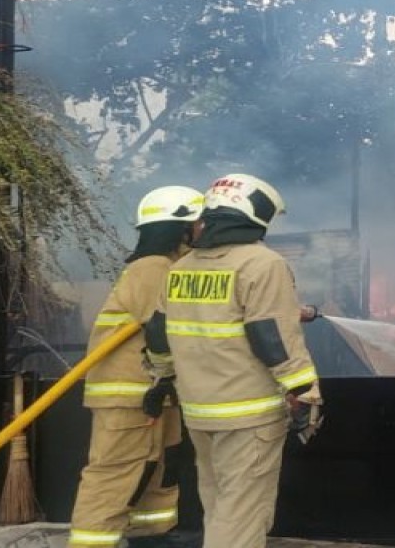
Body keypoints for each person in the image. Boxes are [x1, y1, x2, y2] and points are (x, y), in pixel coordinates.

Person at [143, 173, 322, 548]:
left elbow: (159, 334)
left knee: (221, 507)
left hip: (200, 411)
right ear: (256, 216)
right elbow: (272, 339)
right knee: (241, 517)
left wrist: (161, 378)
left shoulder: (182, 268)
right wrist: (304, 391)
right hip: (248, 416)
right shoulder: (262, 264)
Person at [68, 185, 205, 548]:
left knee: (159, 469)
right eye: (198, 223)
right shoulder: (153, 268)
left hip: (158, 390)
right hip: (131, 392)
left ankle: (150, 537)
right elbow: (167, 326)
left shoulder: (172, 267)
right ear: (180, 228)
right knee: (114, 473)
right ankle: (90, 542)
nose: (205, 229)